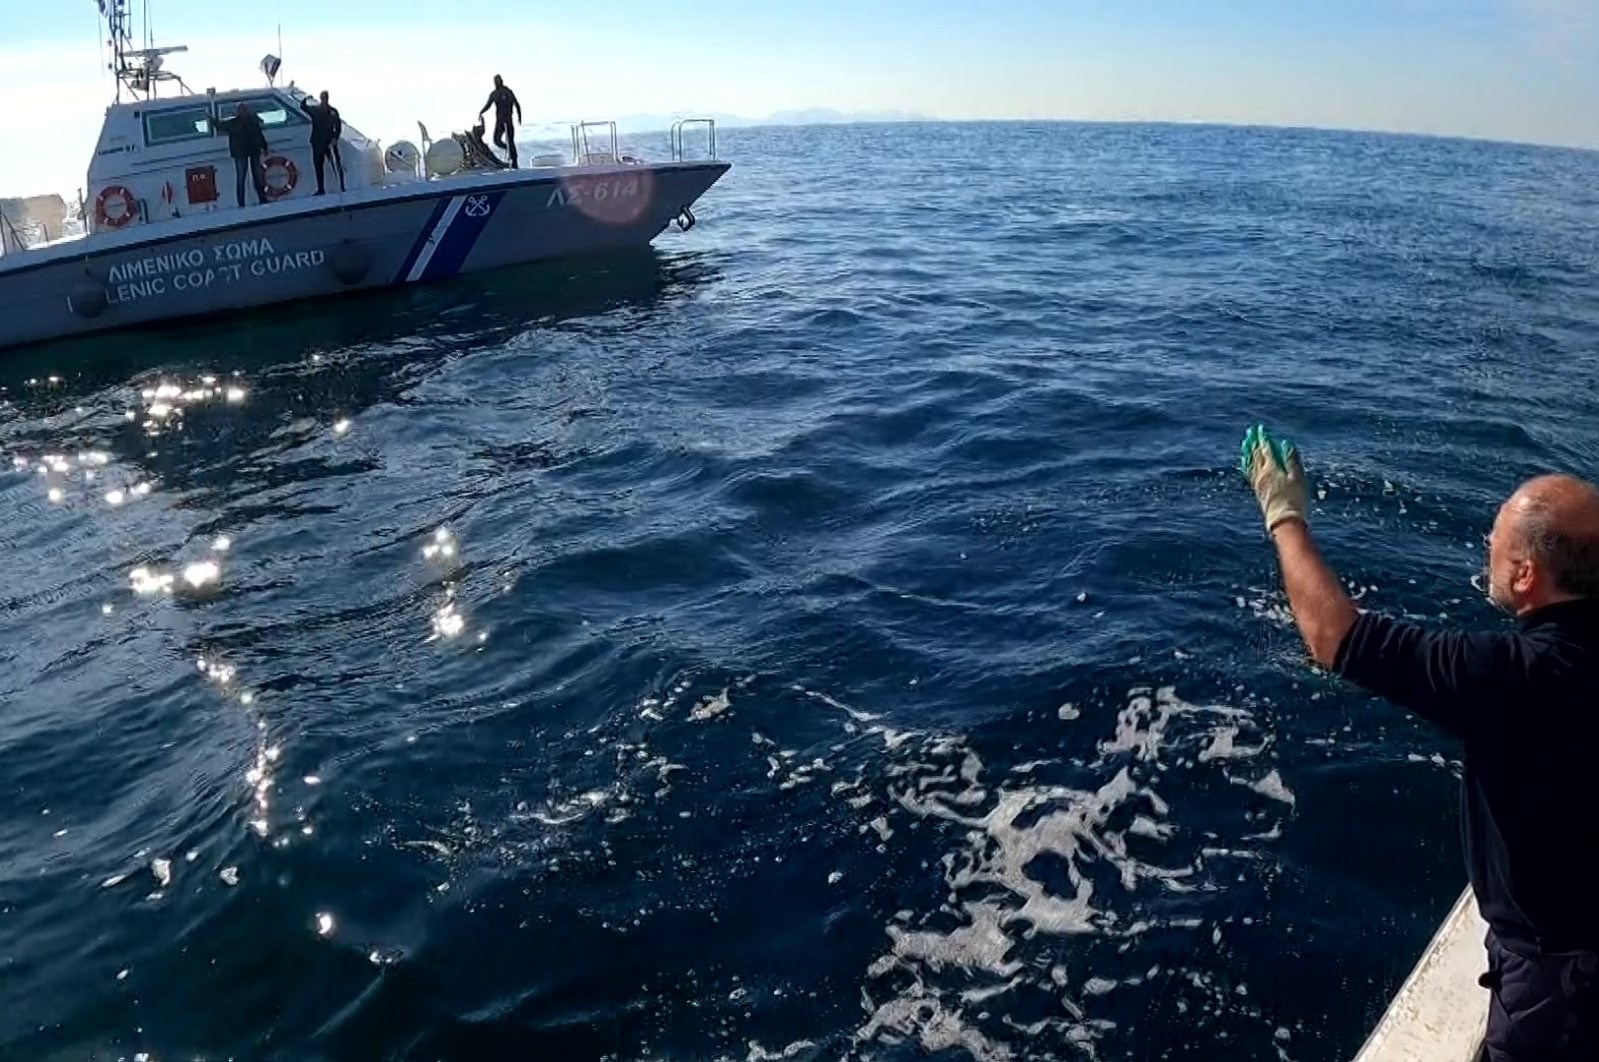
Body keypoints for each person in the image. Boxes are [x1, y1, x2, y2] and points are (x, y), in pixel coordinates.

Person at [1240, 425, 1598, 1061]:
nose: (1486, 544)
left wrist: (1283, 514)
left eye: (1496, 538)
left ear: (1525, 575)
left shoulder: (1515, 677)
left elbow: (1333, 635)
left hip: (1559, 981)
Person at [213, 102, 269, 208]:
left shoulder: (236, 123)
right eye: (241, 109)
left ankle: (255, 200)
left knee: (252, 177)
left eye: (243, 109)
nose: (242, 111)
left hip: (245, 152)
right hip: (246, 152)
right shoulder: (250, 121)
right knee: (244, 178)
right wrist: (264, 147)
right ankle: (245, 202)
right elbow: (259, 134)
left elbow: (259, 135)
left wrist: (265, 147)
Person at [300, 90, 345, 195]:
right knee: (318, 166)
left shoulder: (332, 111)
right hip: (317, 142)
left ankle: (341, 186)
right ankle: (321, 189)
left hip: (329, 142)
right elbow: (303, 106)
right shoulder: (316, 110)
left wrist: (335, 138)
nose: (324, 99)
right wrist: (306, 98)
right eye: (323, 97)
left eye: (325, 97)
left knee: (336, 164)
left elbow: (338, 127)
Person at [478, 74, 522, 168]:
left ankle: (514, 161)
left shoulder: (508, 91)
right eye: (496, 81)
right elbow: (488, 105)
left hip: (508, 120)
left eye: (498, 81)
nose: (497, 83)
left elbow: (516, 103)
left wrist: (519, 116)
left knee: (510, 141)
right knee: (497, 140)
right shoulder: (494, 93)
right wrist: (481, 112)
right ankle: (508, 150)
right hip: (500, 121)